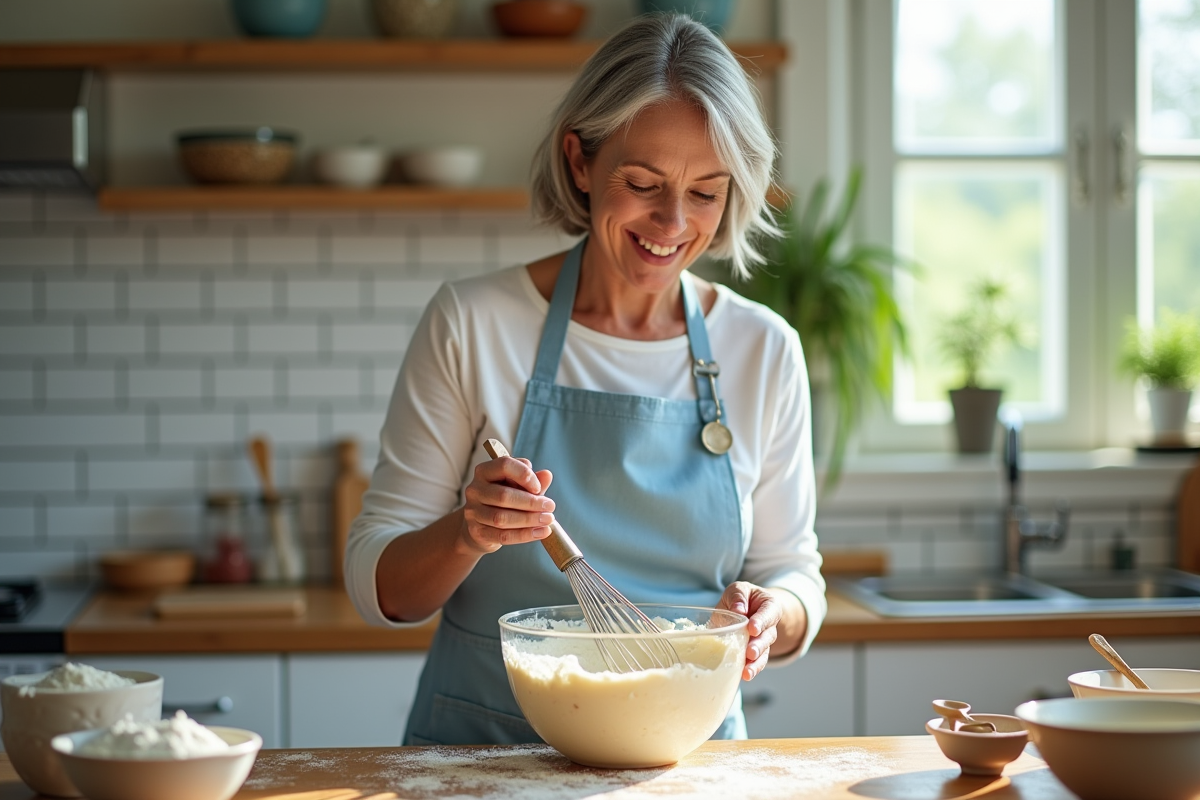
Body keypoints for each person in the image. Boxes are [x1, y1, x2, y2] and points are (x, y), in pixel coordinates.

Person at [345, 13, 826, 746]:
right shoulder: (473, 323)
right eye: (642, 182)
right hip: (483, 759)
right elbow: (377, 585)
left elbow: (794, 573)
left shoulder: (762, 348)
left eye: (706, 192)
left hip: (684, 763)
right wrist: (466, 534)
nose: (672, 222)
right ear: (580, 161)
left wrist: (774, 616)